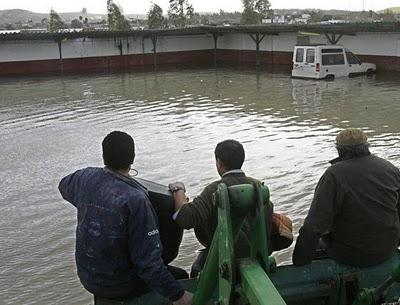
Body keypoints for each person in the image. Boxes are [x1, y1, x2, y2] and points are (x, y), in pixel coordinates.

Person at [58, 131, 192, 305]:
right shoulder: (135, 199)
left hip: (90, 277)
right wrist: (179, 295)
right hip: (121, 284)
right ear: (132, 158)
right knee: (180, 277)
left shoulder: (85, 177)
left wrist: (91, 203)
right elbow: (148, 264)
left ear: (103, 155)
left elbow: (63, 185)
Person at [169, 139, 293, 276]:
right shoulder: (258, 187)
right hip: (256, 256)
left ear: (219, 163)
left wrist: (178, 189)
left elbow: (185, 218)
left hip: (226, 261)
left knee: (197, 268)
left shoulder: (215, 189)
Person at [293, 128, 400, 267]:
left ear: (339, 150)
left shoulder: (334, 174)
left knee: (317, 245)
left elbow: (314, 225)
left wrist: (299, 261)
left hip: (353, 254)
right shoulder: (389, 168)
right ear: (366, 146)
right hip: (388, 249)